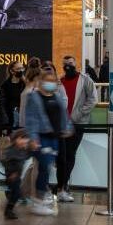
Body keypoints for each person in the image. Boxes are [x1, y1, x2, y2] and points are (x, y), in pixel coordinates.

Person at [24, 68, 73, 216]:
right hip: (41, 137)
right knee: (44, 167)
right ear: (41, 81)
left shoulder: (56, 96)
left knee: (48, 167)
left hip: (54, 137)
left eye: (53, 81)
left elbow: (63, 114)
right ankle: (38, 200)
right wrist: (33, 138)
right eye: (48, 81)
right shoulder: (34, 97)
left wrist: (67, 128)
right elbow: (31, 119)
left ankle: (39, 196)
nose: (51, 84)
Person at [56, 56, 98, 202]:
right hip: (61, 124)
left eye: (71, 64)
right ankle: (61, 186)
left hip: (78, 123)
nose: (68, 67)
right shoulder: (59, 81)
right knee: (61, 156)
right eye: (65, 64)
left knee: (70, 154)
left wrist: (77, 115)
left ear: (76, 65)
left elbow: (93, 99)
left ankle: (63, 185)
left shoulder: (86, 80)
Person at [0, 129, 33, 219]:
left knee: (17, 193)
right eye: (22, 139)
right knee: (16, 193)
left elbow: (27, 155)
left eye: (26, 140)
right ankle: (8, 210)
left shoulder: (22, 150)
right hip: (11, 176)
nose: (24, 141)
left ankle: (10, 206)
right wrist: (11, 173)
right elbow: (5, 161)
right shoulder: (11, 151)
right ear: (16, 139)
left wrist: (33, 148)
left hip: (17, 176)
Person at [0, 60, 26, 135]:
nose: (21, 71)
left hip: (22, 119)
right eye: (18, 69)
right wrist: (5, 125)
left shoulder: (24, 84)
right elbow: (1, 105)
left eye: (22, 68)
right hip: (10, 120)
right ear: (12, 71)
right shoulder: (5, 86)